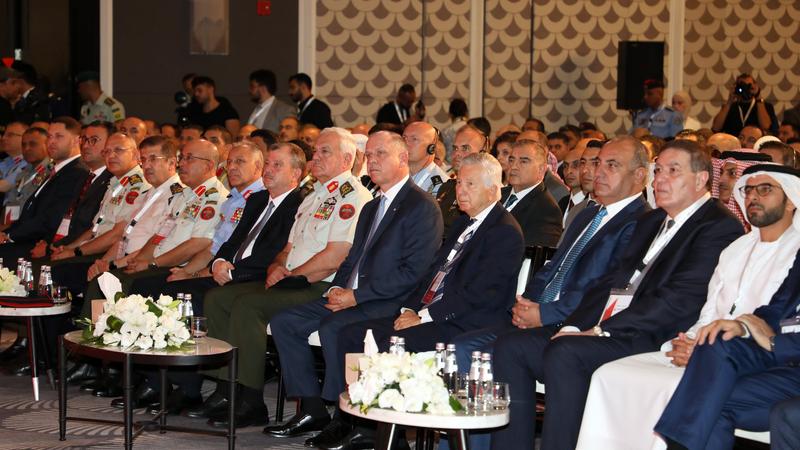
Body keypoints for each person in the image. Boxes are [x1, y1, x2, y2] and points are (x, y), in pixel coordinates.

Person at [489, 139, 744, 450]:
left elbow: (679, 300)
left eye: (673, 171)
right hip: (612, 325)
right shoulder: (652, 220)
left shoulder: (718, 226)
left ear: (701, 178)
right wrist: (574, 325)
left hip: (655, 335)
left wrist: (601, 329)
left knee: (566, 353)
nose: (660, 180)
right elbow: (609, 282)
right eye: (659, 171)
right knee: (511, 347)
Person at [578, 163, 800, 450]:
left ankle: (676, 441)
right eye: (749, 190)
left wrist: (742, 337)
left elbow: (772, 327)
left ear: (791, 199)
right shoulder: (736, 249)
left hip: (767, 355)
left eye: (765, 190)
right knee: (618, 376)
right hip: (736, 350)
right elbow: (760, 310)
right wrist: (698, 339)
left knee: (708, 387)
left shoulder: (794, 248)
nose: (753, 197)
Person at [331, 152, 522, 450]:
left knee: (390, 343)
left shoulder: (504, 232)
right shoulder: (463, 223)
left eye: (470, 184)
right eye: (459, 183)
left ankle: (387, 435)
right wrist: (410, 307)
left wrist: (423, 316)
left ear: (493, 189)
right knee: (351, 333)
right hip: (431, 312)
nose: (461, 191)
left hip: (465, 321)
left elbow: (478, 294)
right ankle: (361, 426)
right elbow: (431, 273)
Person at [182, 128, 371, 426]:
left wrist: (290, 274)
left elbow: (334, 257)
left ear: (347, 160)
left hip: (320, 285)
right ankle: (227, 388)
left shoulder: (353, 196)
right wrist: (277, 267)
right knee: (219, 298)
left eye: (325, 152)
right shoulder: (313, 196)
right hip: (292, 278)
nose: (316, 157)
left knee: (248, 306)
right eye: (316, 151)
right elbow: (288, 248)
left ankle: (252, 399)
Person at [263, 131, 443, 444]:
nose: (372, 161)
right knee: (285, 322)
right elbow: (352, 259)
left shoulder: (421, 206)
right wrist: (336, 289)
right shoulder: (372, 206)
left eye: (381, 154)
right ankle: (312, 409)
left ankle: (345, 418)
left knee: (335, 327)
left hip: (390, 300)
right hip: (353, 295)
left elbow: (413, 273)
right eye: (369, 155)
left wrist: (357, 296)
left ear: (403, 158)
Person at [451, 136, 650, 372]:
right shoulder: (587, 214)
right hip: (540, 314)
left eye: (612, 165)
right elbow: (553, 268)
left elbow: (604, 287)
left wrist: (544, 314)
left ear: (639, 175)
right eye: (599, 163)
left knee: (493, 351)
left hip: (574, 323)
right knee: (461, 345)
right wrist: (526, 304)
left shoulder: (642, 223)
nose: (599, 172)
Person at [0, 117, 90, 267]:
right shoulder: (57, 169)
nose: (51, 141)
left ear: (76, 140)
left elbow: (52, 217)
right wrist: (7, 233)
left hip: (42, 244)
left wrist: (9, 236)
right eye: (49, 136)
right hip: (28, 238)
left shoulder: (76, 172)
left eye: (59, 136)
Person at [500, 139, 563, 247]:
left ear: (541, 169)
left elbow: (532, 255)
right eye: (511, 160)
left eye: (523, 161)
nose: (513, 166)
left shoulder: (547, 210)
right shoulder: (497, 195)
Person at [435, 125, 487, 237]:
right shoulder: (446, 188)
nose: (457, 153)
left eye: (465, 148)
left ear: (482, 153)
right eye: (455, 148)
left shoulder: (487, 192)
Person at [2, 127, 50, 225]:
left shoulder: (52, 171)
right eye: (24, 145)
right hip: (12, 226)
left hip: (33, 228)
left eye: (33, 144)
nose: (27, 148)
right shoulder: (23, 172)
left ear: (47, 145)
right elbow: (10, 203)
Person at [712, 73, 778, 136]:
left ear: (755, 86)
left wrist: (758, 97)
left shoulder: (764, 106)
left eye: (749, 86)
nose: (745, 89)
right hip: (733, 142)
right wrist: (729, 101)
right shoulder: (730, 107)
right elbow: (716, 128)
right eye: (742, 86)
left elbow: (766, 127)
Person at [402, 121, 448, 195]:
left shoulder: (441, 185)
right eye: (404, 138)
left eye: (414, 139)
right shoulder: (394, 174)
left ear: (431, 148)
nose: (406, 143)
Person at [246, 69, 295, 133]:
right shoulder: (256, 110)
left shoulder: (285, 110)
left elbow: (290, 135)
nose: (249, 91)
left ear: (263, 88)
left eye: (252, 86)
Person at [0, 122, 29, 193]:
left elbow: (3, 186)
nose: (3, 138)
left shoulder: (29, 162)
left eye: (10, 135)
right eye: (4, 134)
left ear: (25, 138)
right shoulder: (7, 160)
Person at [441, 98, 468, 164]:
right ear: (466, 113)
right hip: (468, 164)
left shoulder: (446, 131)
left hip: (450, 165)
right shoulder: (473, 129)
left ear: (450, 114)